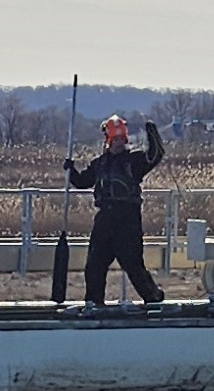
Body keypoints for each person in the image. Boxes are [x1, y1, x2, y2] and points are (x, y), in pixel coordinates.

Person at [66, 113, 165, 312]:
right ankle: (94, 302)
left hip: (127, 219)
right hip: (105, 219)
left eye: (122, 139)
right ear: (108, 140)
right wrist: (71, 171)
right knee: (94, 264)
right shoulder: (100, 164)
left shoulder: (134, 161)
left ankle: (153, 297)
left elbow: (155, 155)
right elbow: (82, 182)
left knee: (133, 264)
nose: (120, 143)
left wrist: (151, 133)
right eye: (116, 139)